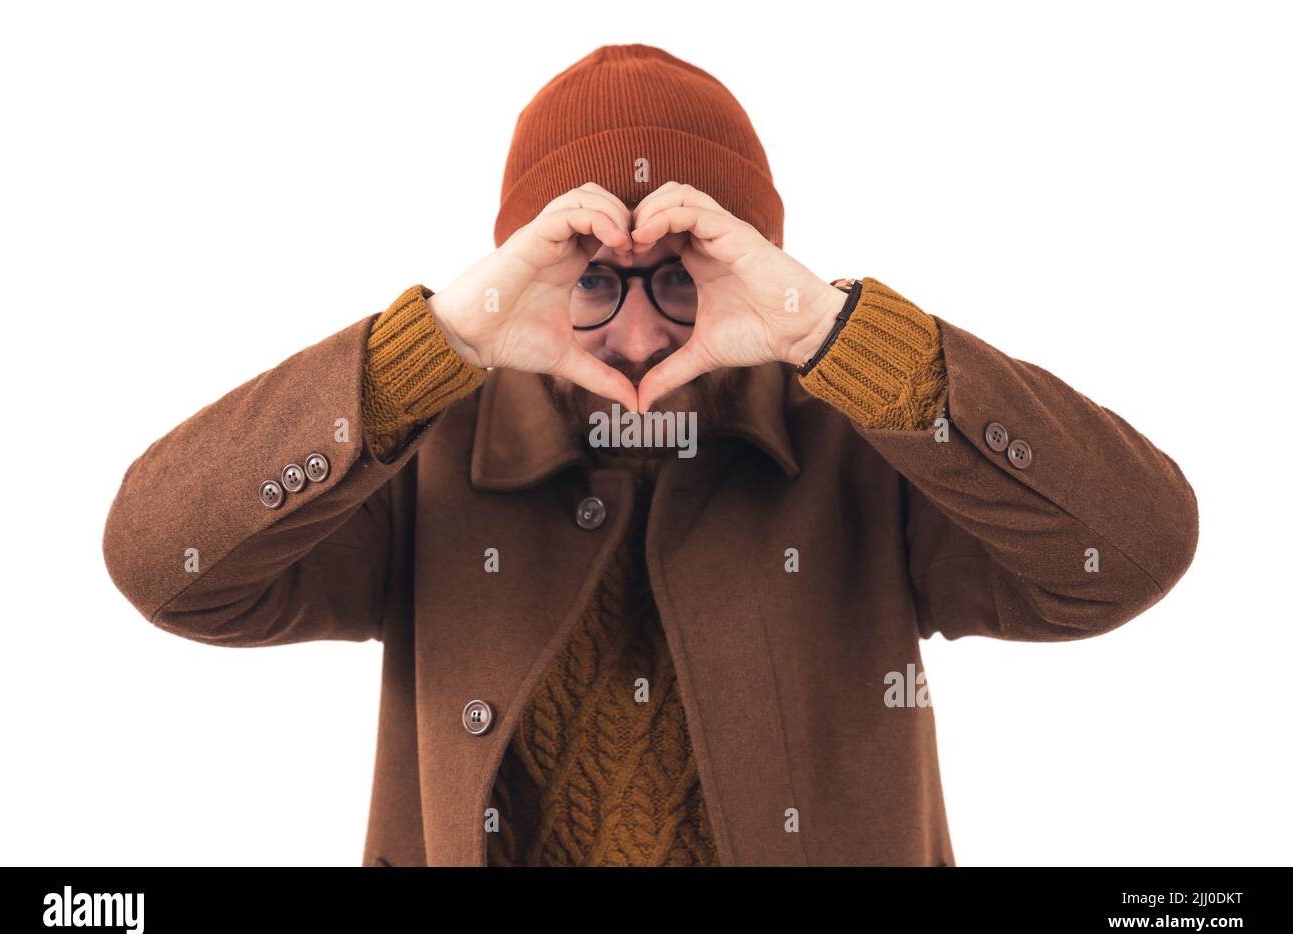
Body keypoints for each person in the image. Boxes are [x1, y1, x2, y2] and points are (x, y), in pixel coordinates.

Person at [102, 43, 1198, 867]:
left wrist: (837, 334)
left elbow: (1132, 548)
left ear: (752, 259)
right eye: (588, 273)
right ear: (524, 269)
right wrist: (436, 342)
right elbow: (167, 565)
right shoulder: (427, 447)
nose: (638, 331)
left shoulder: (861, 440)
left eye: (683, 269)